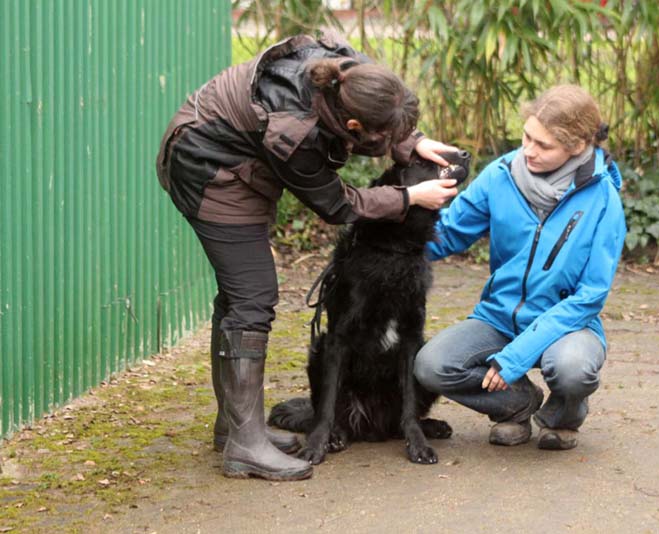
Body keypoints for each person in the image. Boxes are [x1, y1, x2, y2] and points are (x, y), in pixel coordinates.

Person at [155, 33, 459, 481]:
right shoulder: (292, 133)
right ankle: (244, 446)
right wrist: (410, 194)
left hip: (242, 156)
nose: (391, 141)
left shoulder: (351, 73)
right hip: (207, 166)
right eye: (385, 135)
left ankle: (235, 428)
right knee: (253, 296)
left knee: (241, 294)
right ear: (354, 127)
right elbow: (339, 206)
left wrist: (411, 143)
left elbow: (380, 116)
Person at [414, 84, 626, 451]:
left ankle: (562, 418)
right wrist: (391, 230)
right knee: (431, 365)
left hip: (567, 324)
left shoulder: (603, 200)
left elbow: (590, 296)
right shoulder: (501, 175)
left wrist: (512, 359)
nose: (528, 150)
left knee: (573, 368)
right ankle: (516, 405)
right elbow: (447, 234)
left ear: (576, 147)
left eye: (543, 145)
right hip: (499, 316)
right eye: (527, 136)